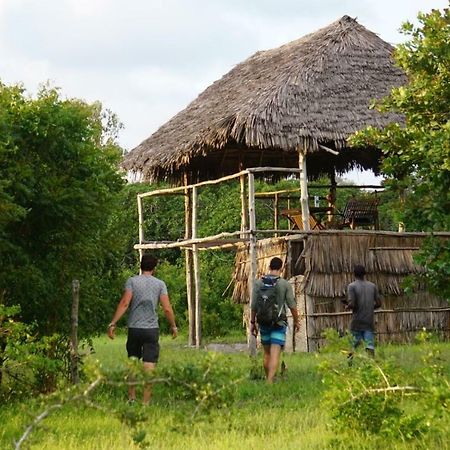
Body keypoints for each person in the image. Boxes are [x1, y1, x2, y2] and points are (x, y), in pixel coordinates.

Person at [107, 254, 178, 404]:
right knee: (149, 365)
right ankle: (145, 402)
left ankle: (131, 397)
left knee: (133, 361)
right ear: (154, 268)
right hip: (151, 329)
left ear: (141, 266)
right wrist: (173, 326)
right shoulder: (160, 284)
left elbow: (125, 303)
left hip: (134, 328)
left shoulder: (132, 281)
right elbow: (166, 308)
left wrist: (113, 323)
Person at [250, 257, 299, 383]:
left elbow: (254, 305)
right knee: (275, 352)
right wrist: (297, 321)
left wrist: (252, 323)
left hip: (263, 321)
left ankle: (269, 378)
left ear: (269, 267)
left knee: (267, 353)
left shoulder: (258, 283)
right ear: (281, 268)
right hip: (279, 323)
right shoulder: (284, 284)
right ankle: (270, 381)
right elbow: (292, 305)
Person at [344, 264, 381, 358]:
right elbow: (379, 303)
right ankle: (372, 365)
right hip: (369, 321)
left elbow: (352, 304)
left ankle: (350, 366)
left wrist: (347, 306)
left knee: (353, 346)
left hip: (357, 322)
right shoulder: (372, 286)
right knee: (370, 346)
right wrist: (369, 308)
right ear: (364, 274)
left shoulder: (352, 286)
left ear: (354, 274)